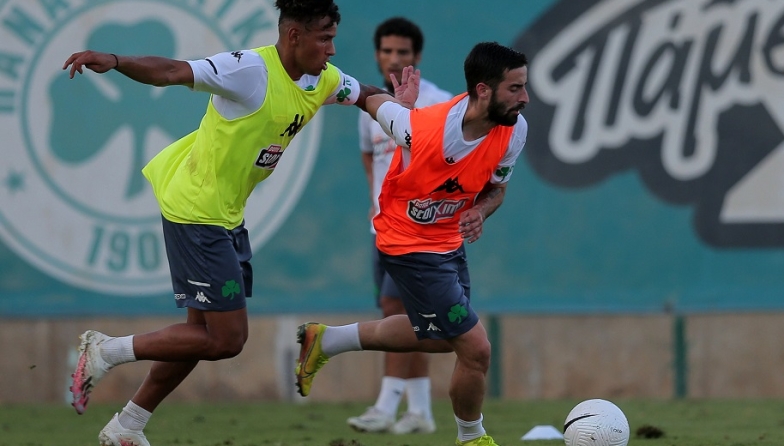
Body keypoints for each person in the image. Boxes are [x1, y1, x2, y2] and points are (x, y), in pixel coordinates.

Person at [61, 1, 406, 445]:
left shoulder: (321, 79)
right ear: (294, 35)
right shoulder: (248, 71)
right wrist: (116, 60)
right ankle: (105, 350)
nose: (332, 49)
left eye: (333, 38)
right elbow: (171, 71)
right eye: (324, 38)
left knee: (198, 335)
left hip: (225, 215)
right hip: (196, 211)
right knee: (226, 340)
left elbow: (365, 93)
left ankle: (127, 426)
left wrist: (396, 114)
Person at [295, 41, 529, 446]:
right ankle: (472, 438)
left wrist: (480, 211)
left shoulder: (515, 130)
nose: (524, 98)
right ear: (483, 90)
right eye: (515, 88)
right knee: (476, 348)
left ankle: (327, 340)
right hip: (406, 243)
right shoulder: (421, 128)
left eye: (524, 86)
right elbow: (368, 98)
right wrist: (330, 86)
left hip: (447, 241)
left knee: (439, 337)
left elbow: (497, 190)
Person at [350, 17, 452, 435]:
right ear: (377, 55)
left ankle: (385, 405)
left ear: (417, 56)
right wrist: (376, 201)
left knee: (397, 311)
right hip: (382, 229)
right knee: (414, 319)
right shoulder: (371, 106)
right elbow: (369, 156)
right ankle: (421, 411)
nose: (394, 59)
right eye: (387, 51)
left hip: (418, 232)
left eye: (403, 52)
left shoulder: (439, 103)